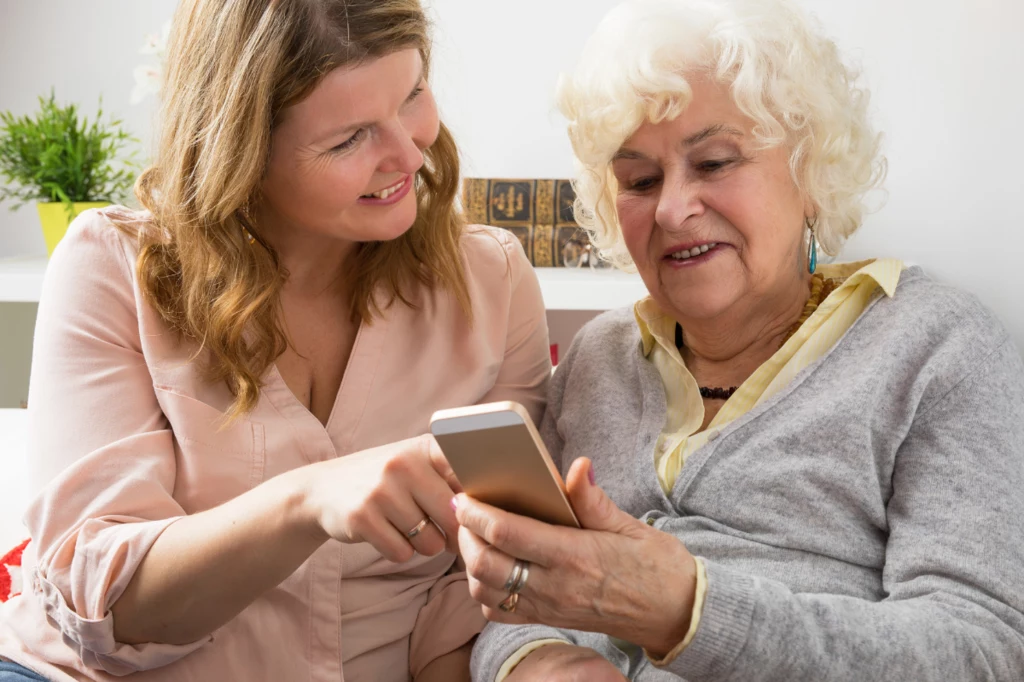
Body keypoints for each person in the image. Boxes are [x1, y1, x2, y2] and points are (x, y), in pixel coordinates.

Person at [456, 0, 1024, 680]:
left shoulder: (935, 348)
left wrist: (688, 611)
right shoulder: (597, 359)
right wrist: (540, 662)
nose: (671, 208)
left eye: (716, 162)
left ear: (810, 170)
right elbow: (520, 598)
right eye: (640, 180)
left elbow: (978, 650)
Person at [0, 1, 552, 680]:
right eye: (350, 139)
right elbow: (100, 604)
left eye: (412, 94)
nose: (410, 153)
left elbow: (478, 587)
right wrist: (308, 501)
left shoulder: (492, 284)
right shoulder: (115, 268)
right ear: (244, 151)